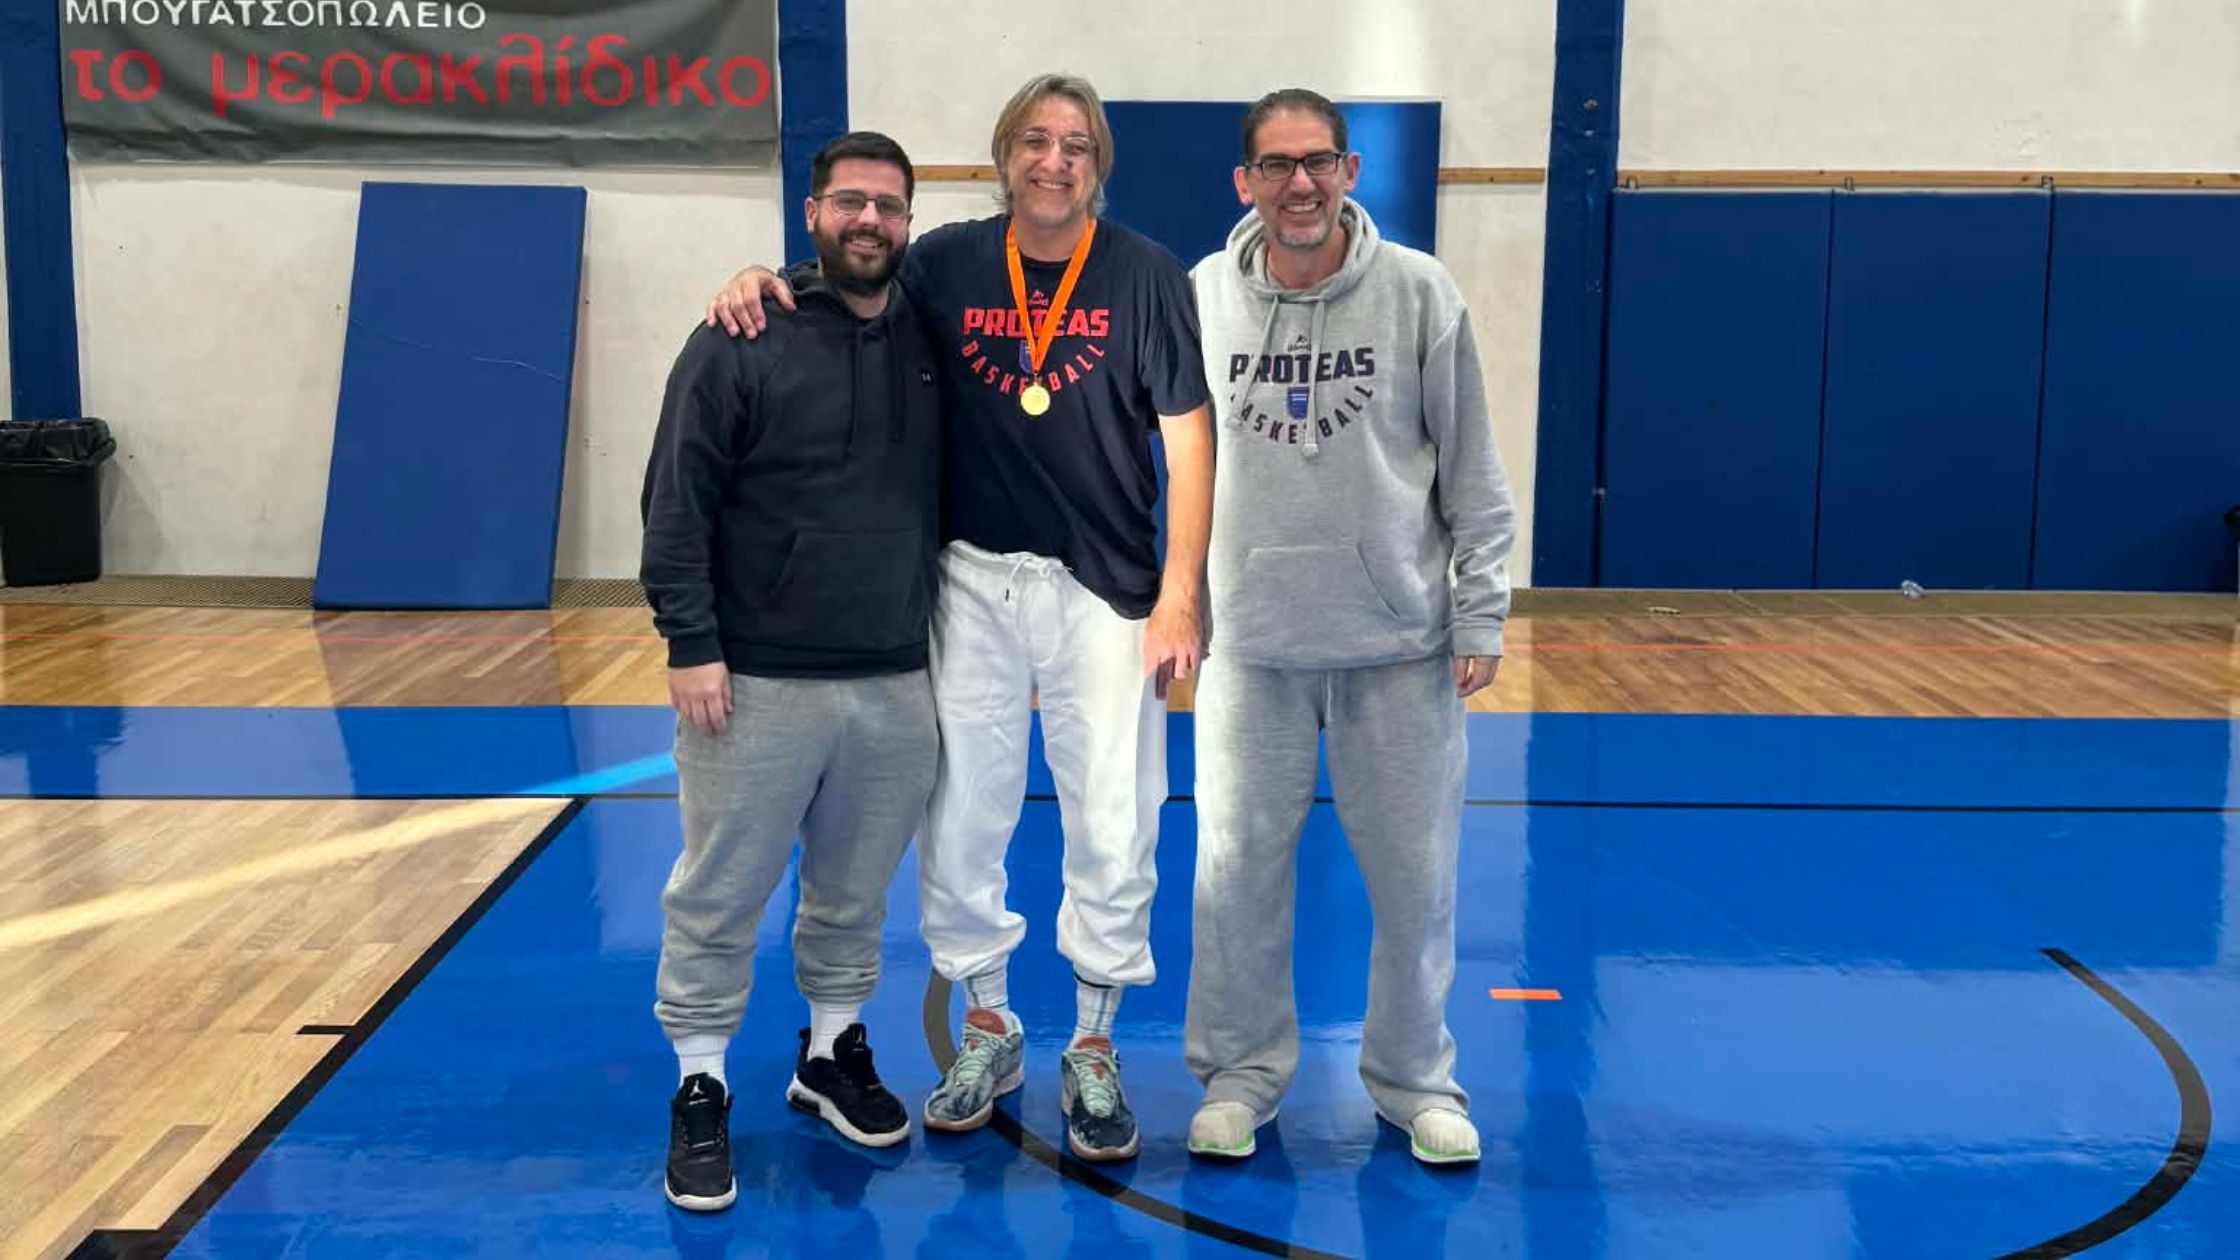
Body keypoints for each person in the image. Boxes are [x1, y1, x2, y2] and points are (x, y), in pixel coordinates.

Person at [703, 74, 1214, 1163]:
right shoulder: (943, 263)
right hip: (969, 577)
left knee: (1115, 814)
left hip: (1105, 583)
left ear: (1098, 165)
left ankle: (1093, 1042)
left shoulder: (1146, 274)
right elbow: (848, 283)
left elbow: (1187, 433)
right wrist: (763, 278)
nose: (1054, 160)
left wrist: (1179, 592)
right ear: (1002, 155)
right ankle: (987, 1025)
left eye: (1076, 144)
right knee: (962, 812)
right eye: (1035, 139)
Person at [1181, 89, 1516, 1167]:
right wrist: (1174, 604)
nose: (1299, 184)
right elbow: (1170, 466)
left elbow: (1473, 467)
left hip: (1398, 649)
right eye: (1276, 165)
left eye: (1318, 161)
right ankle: (1240, 1078)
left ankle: (1415, 1083)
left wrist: (1480, 608)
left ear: (1349, 172)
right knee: (1234, 879)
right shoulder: (1199, 297)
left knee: (1415, 883)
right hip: (1249, 649)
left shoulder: (1419, 291)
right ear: (1244, 182)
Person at [641, 130, 943, 1212]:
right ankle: (701, 1082)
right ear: (811, 213)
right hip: (755, 676)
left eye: (889, 206)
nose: (869, 221)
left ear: (908, 223)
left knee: (853, 893)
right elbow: (675, 500)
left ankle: (828, 1053)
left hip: (894, 674)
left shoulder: (933, 333)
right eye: (850, 202)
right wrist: (690, 642)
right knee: (720, 891)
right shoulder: (739, 335)